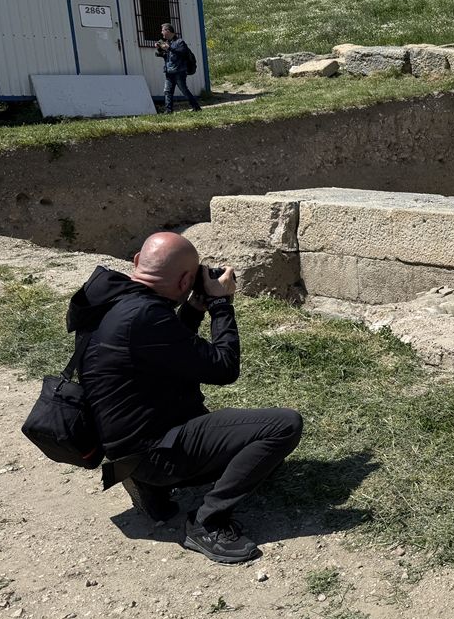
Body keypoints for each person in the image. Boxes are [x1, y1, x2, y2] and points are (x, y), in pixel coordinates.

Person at [66, 232, 303, 563]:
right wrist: (221, 305)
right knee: (283, 426)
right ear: (183, 282)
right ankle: (207, 522)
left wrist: (192, 309)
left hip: (122, 448)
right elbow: (223, 369)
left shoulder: (111, 301)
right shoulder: (145, 316)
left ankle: (150, 486)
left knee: (249, 451)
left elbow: (167, 351)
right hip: (153, 451)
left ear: (136, 261)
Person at [155, 23, 201, 114]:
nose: (162, 33)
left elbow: (183, 53)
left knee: (184, 90)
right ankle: (168, 111)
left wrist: (170, 48)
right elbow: (163, 55)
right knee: (167, 91)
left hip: (179, 71)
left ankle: (196, 107)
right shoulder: (167, 43)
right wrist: (159, 49)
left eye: (163, 30)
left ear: (168, 31)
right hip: (169, 72)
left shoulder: (179, 42)